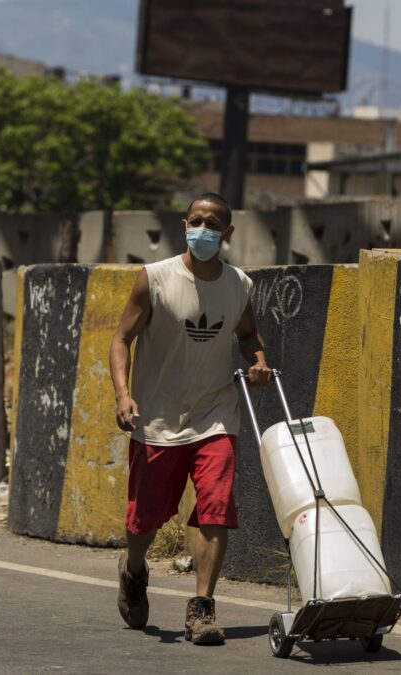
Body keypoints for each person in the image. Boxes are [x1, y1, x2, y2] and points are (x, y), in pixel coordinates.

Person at [109, 192, 272, 645]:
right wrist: (123, 395)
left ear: (228, 233)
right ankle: (134, 569)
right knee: (144, 519)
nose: (203, 229)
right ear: (185, 225)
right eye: (196, 221)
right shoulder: (155, 278)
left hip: (216, 415)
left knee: (215, 508)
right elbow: (121, 339)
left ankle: (202, 608)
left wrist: (257, 360)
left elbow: (247, 334)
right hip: (157, 418)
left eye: (213, 223)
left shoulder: (239, 284)